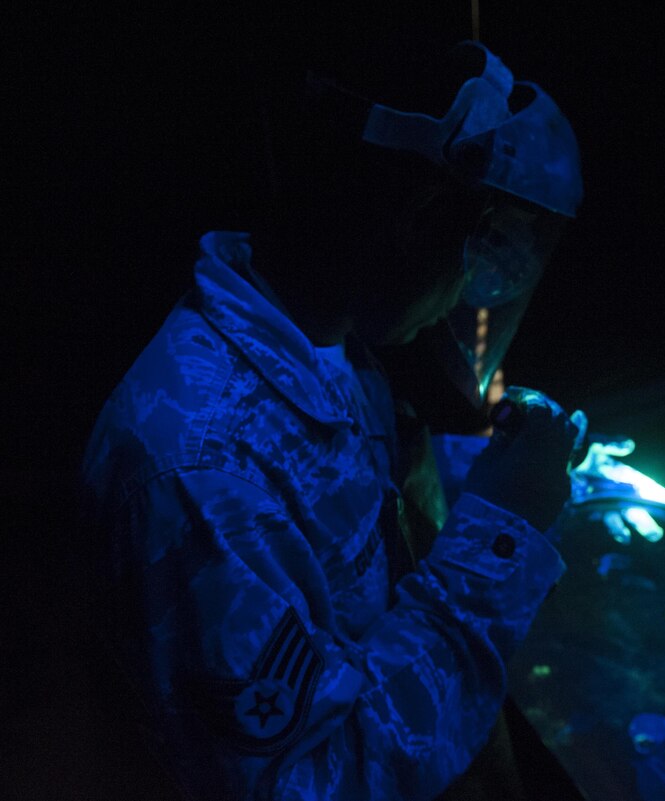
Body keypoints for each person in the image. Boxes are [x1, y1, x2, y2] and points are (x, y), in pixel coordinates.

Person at [80, 38, 584, 801]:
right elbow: (315, 781)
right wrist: (501, 532)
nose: (469, 292)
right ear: (418, 221)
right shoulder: (198, 470)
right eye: (475, 247)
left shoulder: (330, 341)